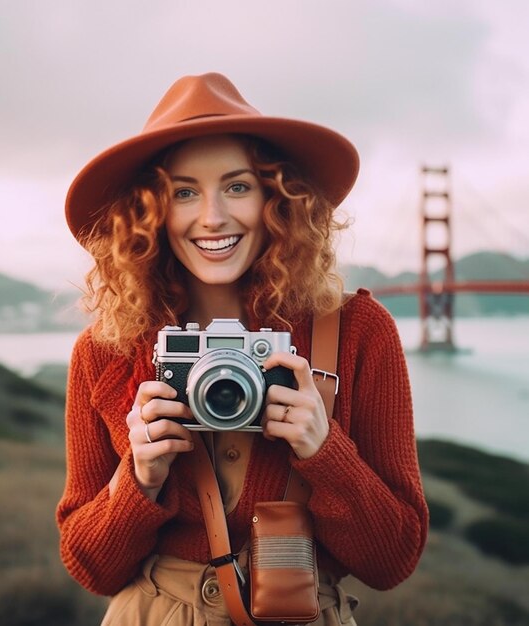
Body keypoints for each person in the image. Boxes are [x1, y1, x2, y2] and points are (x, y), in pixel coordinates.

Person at [56, 73, 428, 625]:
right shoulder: (106, 350)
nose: (212, 217)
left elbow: (393, 560)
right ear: (147, 212)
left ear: (277, 197)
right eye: (183, 192)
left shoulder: (358, 332)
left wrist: (324, 452)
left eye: (237, 186)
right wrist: (139, 481)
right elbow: (90, 568)